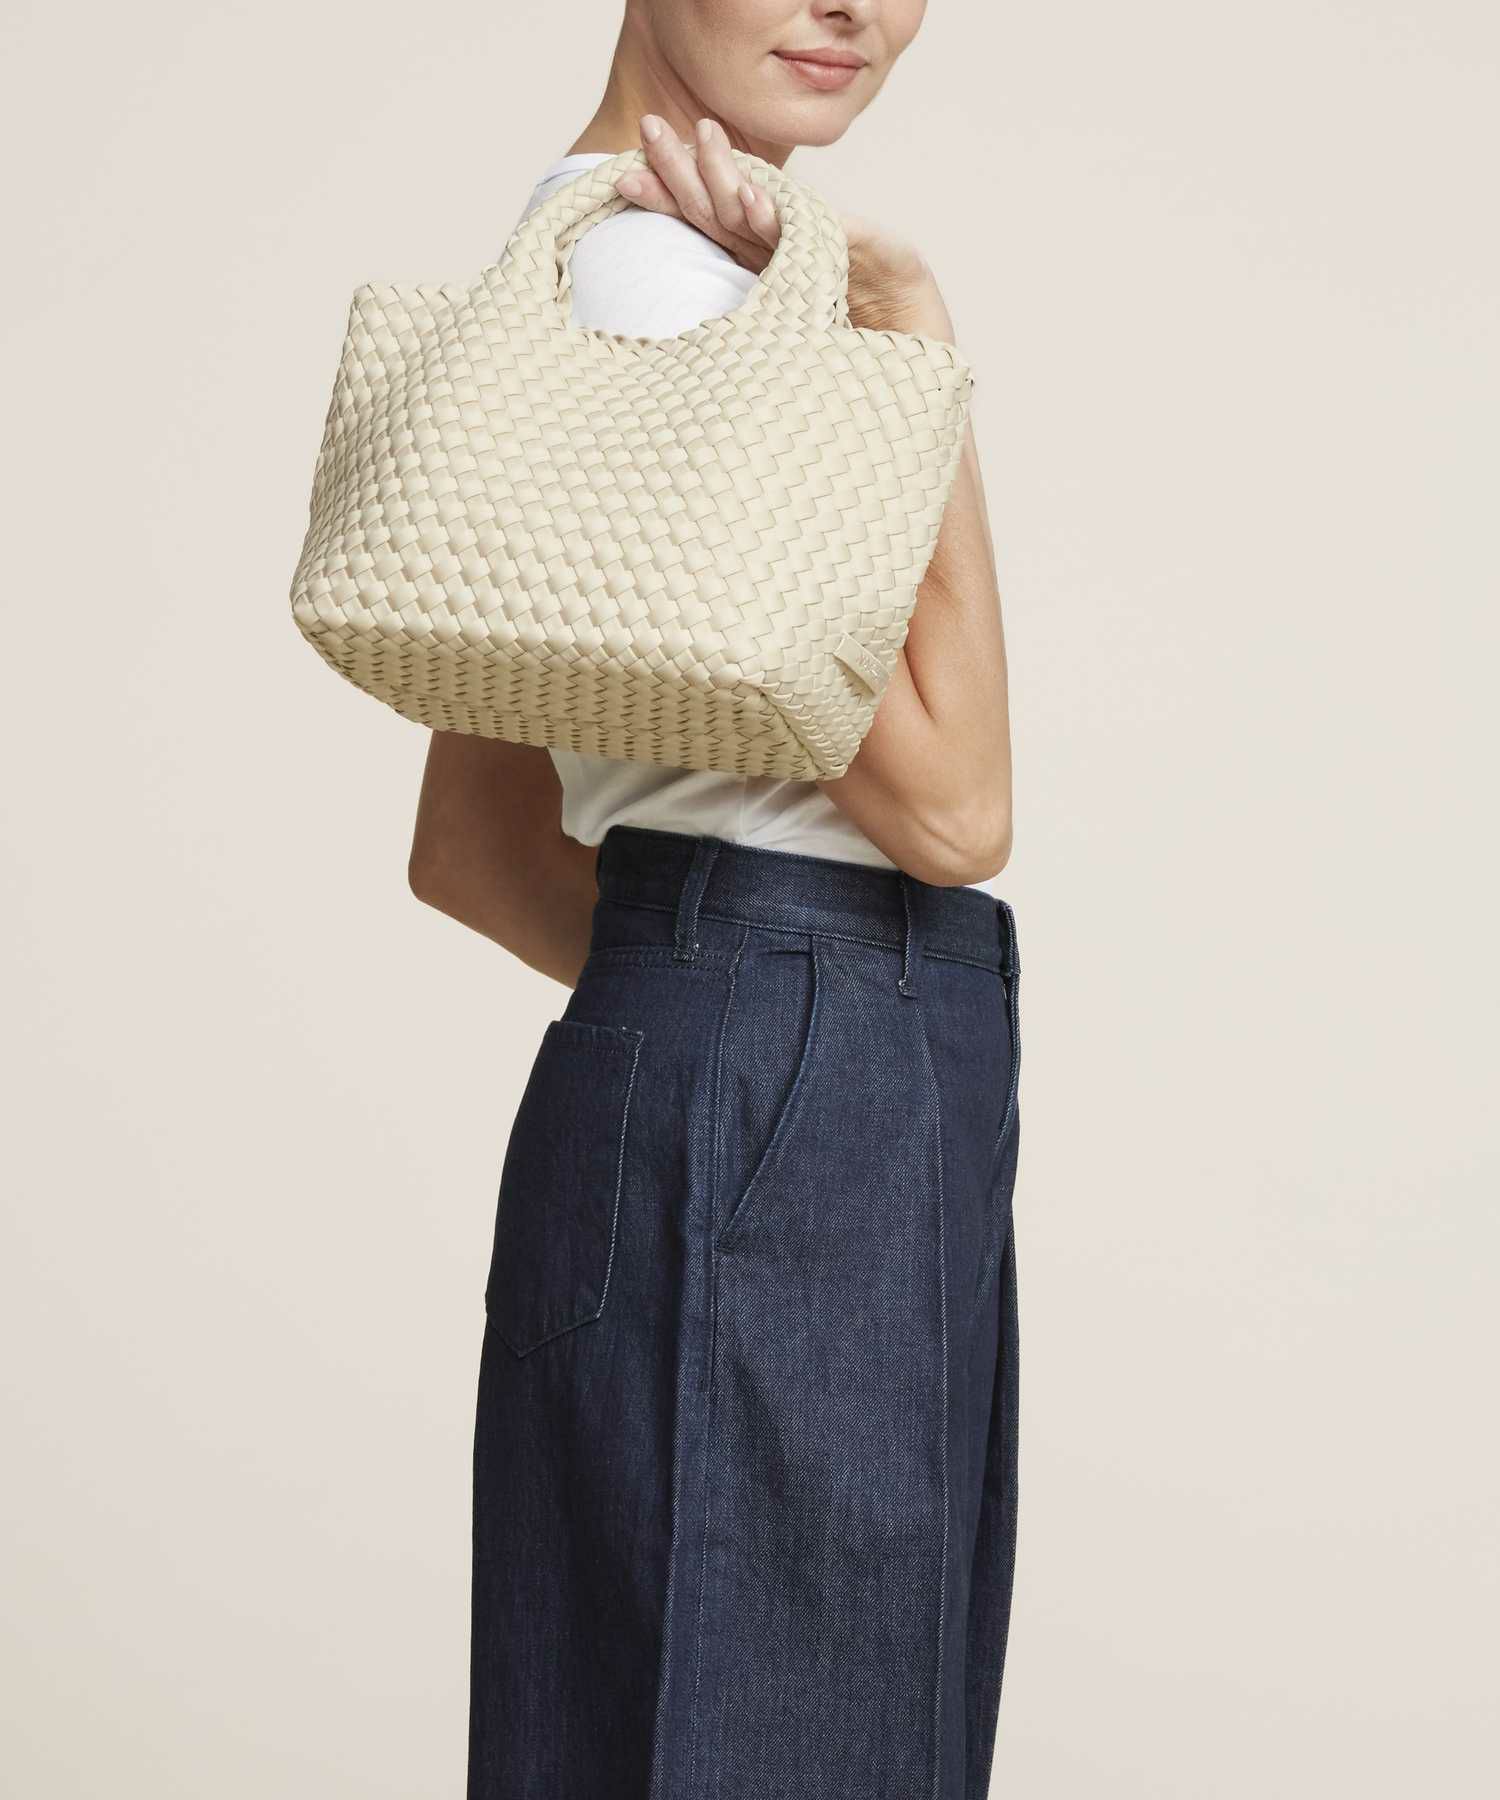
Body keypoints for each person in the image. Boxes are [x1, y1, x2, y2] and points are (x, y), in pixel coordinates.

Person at [407, 6, 1021, 1797]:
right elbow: (956, 808)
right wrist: (915, 347)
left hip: (709, 1059)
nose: (856, 9)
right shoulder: (673, 298)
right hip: (804, 1079)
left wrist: (700, 992)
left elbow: (474, 843)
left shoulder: (564, 271)